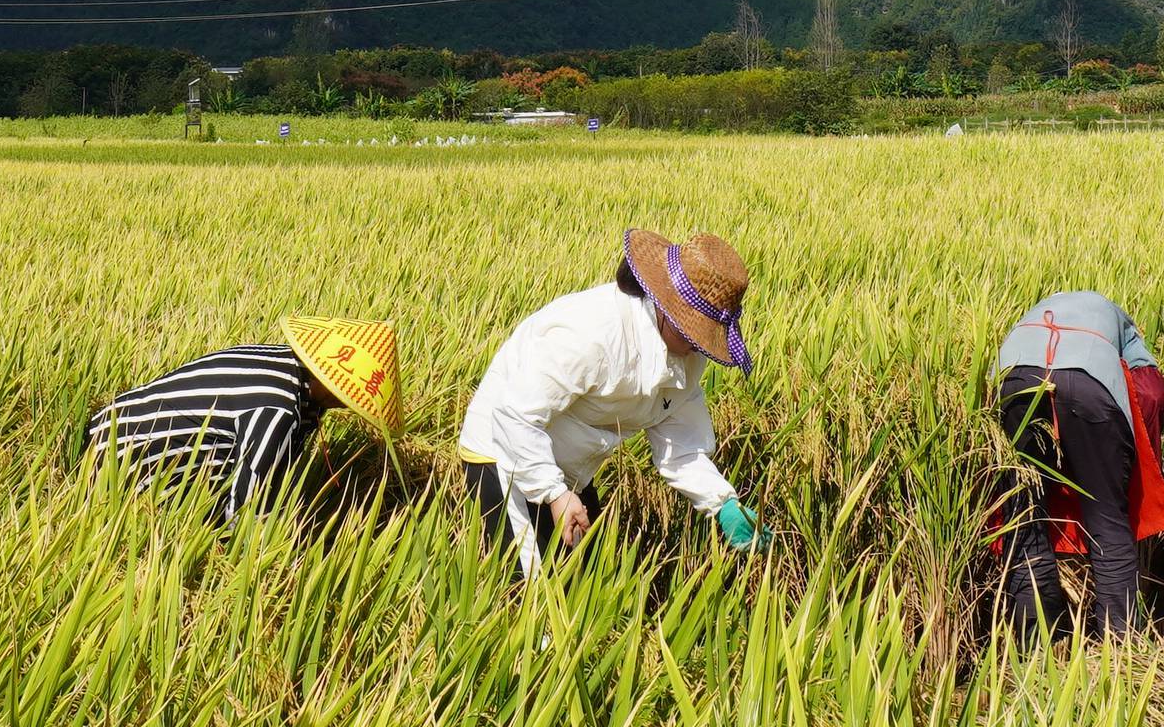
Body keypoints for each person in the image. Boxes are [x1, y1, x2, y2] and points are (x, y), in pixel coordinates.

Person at [456, 228, 765, 574]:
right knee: (535, 596)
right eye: (693, 331)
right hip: (504, 452)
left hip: (570, 465)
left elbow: (681, 448)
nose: (699, 344)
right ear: (666, 307)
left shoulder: (689, 358)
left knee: (585, 578)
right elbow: (515, 415)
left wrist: (723, 503)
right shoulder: (594, 336)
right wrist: (554, 493)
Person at [987, 289, 1164, 640]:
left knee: (1024, 516)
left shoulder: (1030, 316)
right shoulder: (1119, 318)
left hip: (1014, 381)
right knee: (1107, 519)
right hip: (1087, 385)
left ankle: (1037, 642)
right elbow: (1151, 391)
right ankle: (1119, 645)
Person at [80, 317, 400, 519]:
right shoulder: (278, 409)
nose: (350, 407)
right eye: (352, 399)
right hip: (118, 466)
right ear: (334, 387)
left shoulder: (276, 359)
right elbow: (249, 506)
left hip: (107, 425)